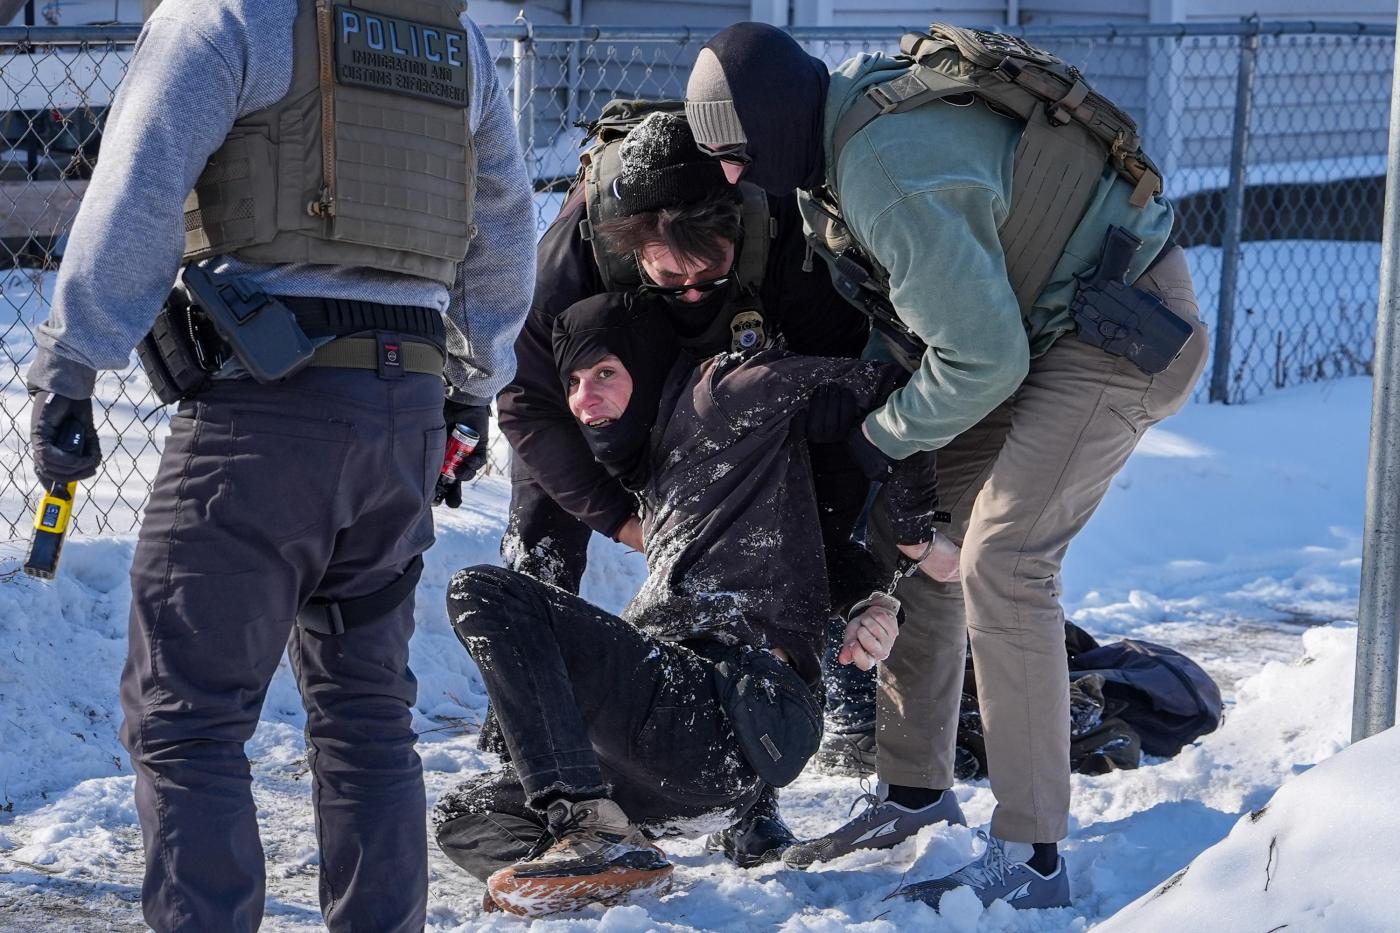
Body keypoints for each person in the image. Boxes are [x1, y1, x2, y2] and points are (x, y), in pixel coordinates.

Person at [25, 1, 534, 930]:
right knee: (368, 717)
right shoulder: (449, 33)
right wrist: (473, 381)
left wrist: (73, 362)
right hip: (405, 413)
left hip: (265, 418)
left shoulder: (229, 13)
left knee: (186, 718)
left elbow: (140, 185)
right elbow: (503, 219)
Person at [685, 22, 1209, 910]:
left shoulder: (880, 169)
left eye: (737, 152)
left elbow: (983, 360)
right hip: (1037, 326)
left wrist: (882, 436)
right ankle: (915, 793)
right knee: (915, 529)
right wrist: (885, 444)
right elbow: (943, 323)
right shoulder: (838, 132)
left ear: (773, 119)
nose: (733, 176)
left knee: (1005, 558)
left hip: (1120, 332)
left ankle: (1032, 853)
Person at [434, 292, 958, 916]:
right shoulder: (655, 468)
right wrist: (866, 599)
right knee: (464, 815)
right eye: (572, 383)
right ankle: (618, 862)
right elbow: (802, 553)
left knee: (484, 592)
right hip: (668, 773)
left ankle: (592, 830)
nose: (583, 399)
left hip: (722, 715)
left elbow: (886, 386)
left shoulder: (721, 393)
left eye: (604, 373)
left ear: (646, 362)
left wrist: (913, 534)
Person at [494, 108, 882, 861]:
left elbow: (837, 382)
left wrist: (835, 557)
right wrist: (618, 517)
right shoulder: (570, 261)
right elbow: (527, 404)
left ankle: (749, 784)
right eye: (672, 278)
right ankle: (536, 747)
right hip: (603, 392)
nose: (695, 292)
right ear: (630, 249)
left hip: (735, 390)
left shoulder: (785, 239)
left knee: (755, 564)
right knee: (539, 551)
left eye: (711, 274)